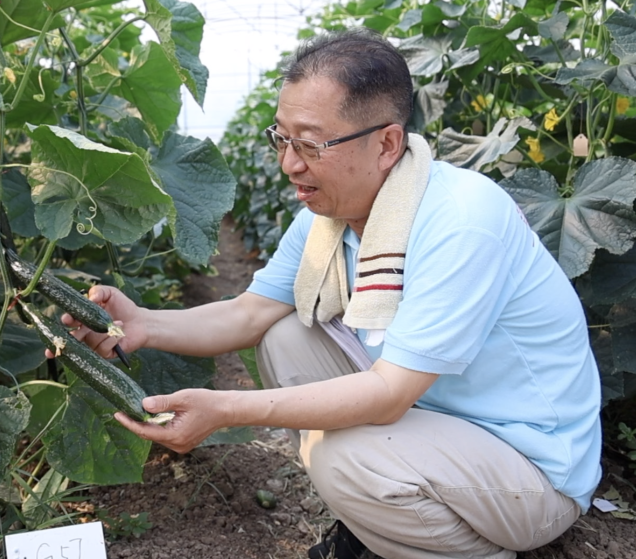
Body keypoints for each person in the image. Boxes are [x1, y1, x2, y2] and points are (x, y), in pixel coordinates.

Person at [59, 29, 602, 559]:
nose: (289, 163)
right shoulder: (330, 219)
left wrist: (226, 409)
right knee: (284, 336)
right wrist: (144, 324)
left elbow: (389, 393)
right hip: (438, 426)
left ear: (387, 144)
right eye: (281, 138)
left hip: (530, 469)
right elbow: (248, 314)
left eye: (311, 144)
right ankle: (385, 518)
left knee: (340, 456)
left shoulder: (461, 221)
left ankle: (455, 545)